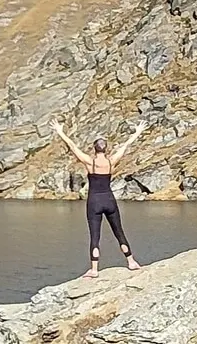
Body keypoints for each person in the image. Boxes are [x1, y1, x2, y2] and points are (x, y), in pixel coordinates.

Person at [50, 118, 147, 278]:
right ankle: (131, 262)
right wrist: (137, 132)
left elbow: (73, 147)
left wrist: (60, 132)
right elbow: (125, 146)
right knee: (119, 232)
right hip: (109, 200)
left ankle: (94, 270)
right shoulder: (111, 162)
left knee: (95, 236)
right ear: (105, 149)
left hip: (94, 202)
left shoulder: (90, 162)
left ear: (94, 149)